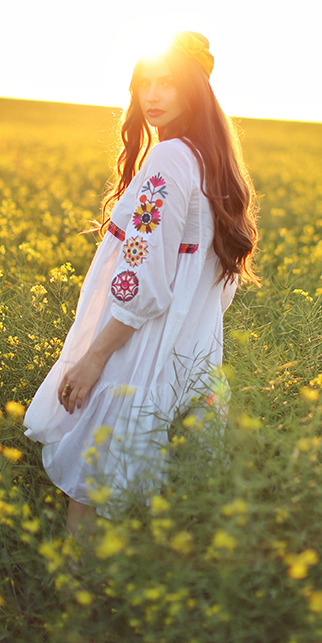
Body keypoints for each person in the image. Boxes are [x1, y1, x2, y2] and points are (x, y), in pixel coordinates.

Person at [23, 32, 258, 535]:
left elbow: (142, 282)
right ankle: (118, 597)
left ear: (193, 90)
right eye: (143, 83)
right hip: (180, 350)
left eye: (166, 83)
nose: (151, 96)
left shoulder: (170, 158)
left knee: (90, 482)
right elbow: (212, 281)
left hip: (132, 350)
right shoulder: (210, 160)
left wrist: (94, 357)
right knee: (140, 489)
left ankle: (75, 599)